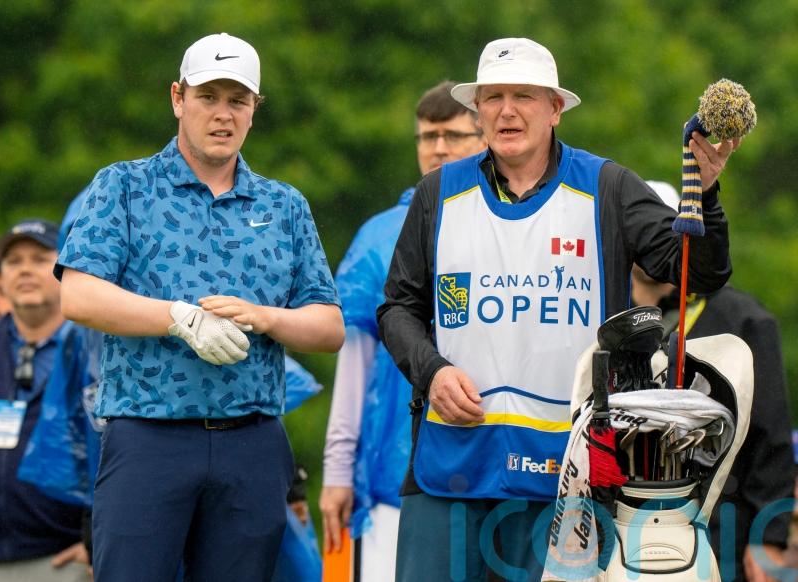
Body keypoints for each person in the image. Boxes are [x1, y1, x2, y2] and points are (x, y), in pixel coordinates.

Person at [377, 37, 740, 581]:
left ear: (555, 109)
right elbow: (397, 309)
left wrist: (704, 195)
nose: (507, 110)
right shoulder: (437, 193)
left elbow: (698, 271)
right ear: (476, 112)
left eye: (524, 95)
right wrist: (431, 372)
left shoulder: (606, 186)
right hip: (450, 470)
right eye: (493, 96)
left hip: (569, 478)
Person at [56, 32, 343, 582]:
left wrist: (266, 318)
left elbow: (327, 327)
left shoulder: (284, 204)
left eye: (237, 100)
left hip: (253, 443)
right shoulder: (124, 186)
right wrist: (179, 319)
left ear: (254, 111)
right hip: (148, 438)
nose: (222, 114)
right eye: (207, 96)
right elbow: (79, 294)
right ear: (177, 99)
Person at [319, 80, 487, 580]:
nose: (437, 147)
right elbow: (355, 366)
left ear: (484, 138)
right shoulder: (378, 237)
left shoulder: (516, 222)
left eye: (453, 135)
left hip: (499, 460)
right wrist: (336, 472)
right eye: (426, 136)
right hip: (396, 471)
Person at [632, 180, 794, 582]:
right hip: (626, 521)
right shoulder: (602, 311)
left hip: (722, 525)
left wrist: (768, 536)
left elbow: (769, 433)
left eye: (663, 235)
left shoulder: (744, 321)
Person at [0, 219, 91, 581]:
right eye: (13, 261)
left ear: (66, 272)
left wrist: (98, 538)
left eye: (39, 259)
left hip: (63, 559)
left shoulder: (98, 348)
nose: (24, 270)